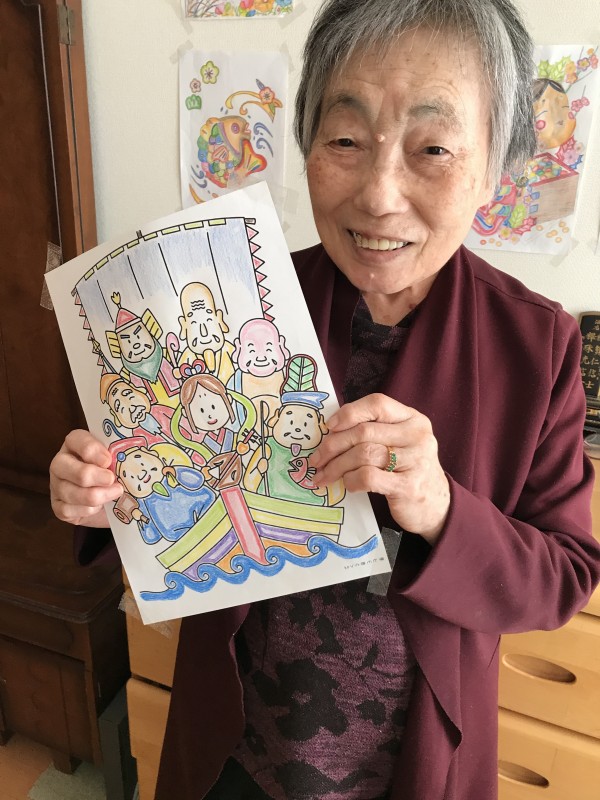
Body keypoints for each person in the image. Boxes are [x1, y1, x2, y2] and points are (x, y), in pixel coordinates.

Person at [49, 1, 600, 798]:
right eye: (345, 140)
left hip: (413, 759)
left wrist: (442, 506)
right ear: (307, 145)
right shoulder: (237, 304)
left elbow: (562, 576)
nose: (379, 195)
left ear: (492, 169)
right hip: (236, 745)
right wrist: (105, 495)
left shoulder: (536, 345)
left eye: (432, 149)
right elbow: (168, 496)